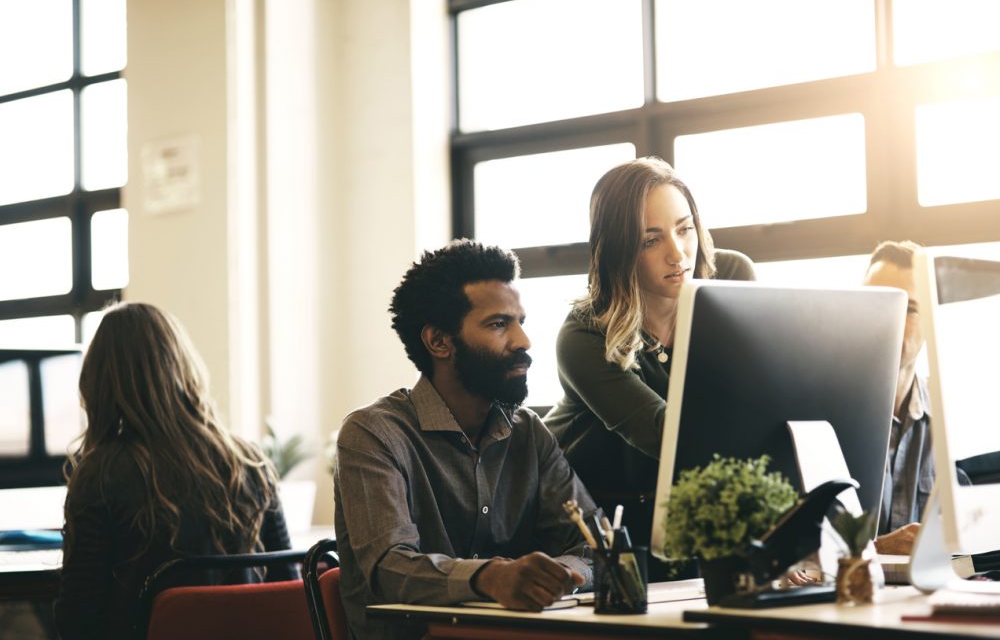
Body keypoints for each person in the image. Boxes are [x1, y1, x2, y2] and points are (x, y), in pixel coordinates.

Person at [334, 240, 595, 640]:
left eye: (520, 321)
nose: (523, 341)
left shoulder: (529, 433)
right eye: (498, 324)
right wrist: (491, 577)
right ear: (439, 341)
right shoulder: (373, 435)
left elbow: (596, 545)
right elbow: (389, 568)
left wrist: (562, 574)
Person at [544, 157, 756, 566]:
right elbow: (668, 438)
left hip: (697, 518)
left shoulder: (730, 277)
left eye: (685, 229)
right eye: (650, 240)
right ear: (619, 251)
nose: (678, 254)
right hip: (604, 535)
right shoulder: (584, 334)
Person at [54, 302, 294, 640]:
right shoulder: (249, 462)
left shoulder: (100, 474)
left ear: (98, 382)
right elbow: (292, 586)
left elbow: (78, 620)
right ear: (183, 368)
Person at [862, 240, 934, 555]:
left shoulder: (945, 420)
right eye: (878, 302)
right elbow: (798, 558)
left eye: (911, 309)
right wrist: (876, 549)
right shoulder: (821, 415)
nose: (892, 318)